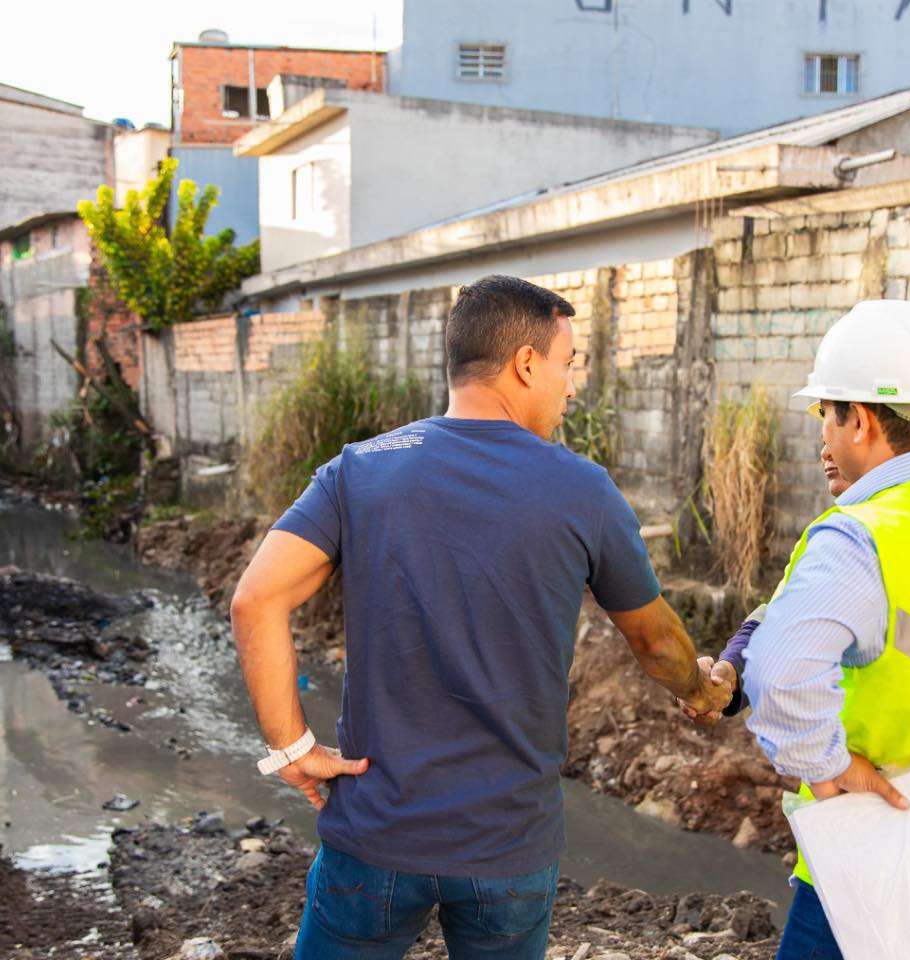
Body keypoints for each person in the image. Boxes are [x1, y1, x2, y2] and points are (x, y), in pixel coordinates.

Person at [230, 274, 733, 960]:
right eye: (567, 364)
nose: (571, 386)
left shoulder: (360, 470)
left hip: (374, 839)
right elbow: (656, 643)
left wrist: (292, 749)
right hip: (508, 849)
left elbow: (255, 600)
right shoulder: (583, 490)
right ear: (525, 364)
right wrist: (701, 691)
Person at [731, 299, 910, 960]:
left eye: (824, 416)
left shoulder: (862, 537)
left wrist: (828, 767)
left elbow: (781, 674)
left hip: (889, 843)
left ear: (858, 419)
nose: (822, 439)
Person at [678, 446, 850, 723]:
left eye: (837, 431)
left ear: (865, 428)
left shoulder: (849, 536)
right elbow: (781, 621)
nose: (824, 453)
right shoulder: (834, 530)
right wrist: (729, 673)